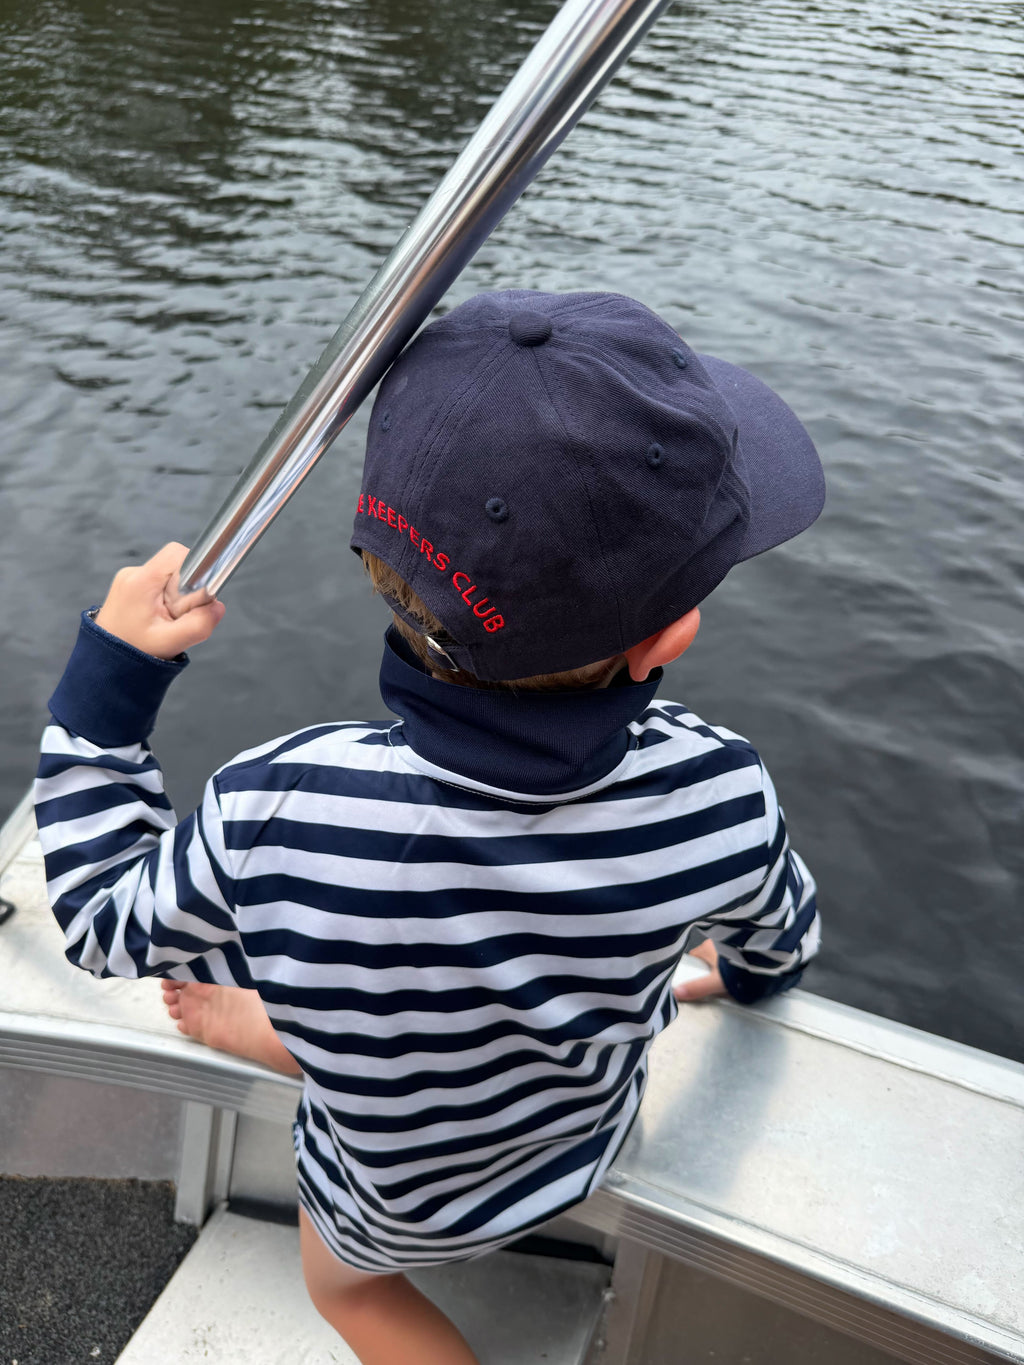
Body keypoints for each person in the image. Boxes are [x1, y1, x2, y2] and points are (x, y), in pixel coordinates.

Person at [35, 289, 825, 1365]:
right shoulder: (719, 792)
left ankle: (266, 1034)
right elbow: (780, 941)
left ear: (382, 560)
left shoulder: (284, 808)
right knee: (432, 1002)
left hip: (388, 1195)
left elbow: (95, 915)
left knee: (352, 1289)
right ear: (669, 632)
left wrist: (107, 690)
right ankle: (269, 1031)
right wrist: (738, 979)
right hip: (576, 1146)